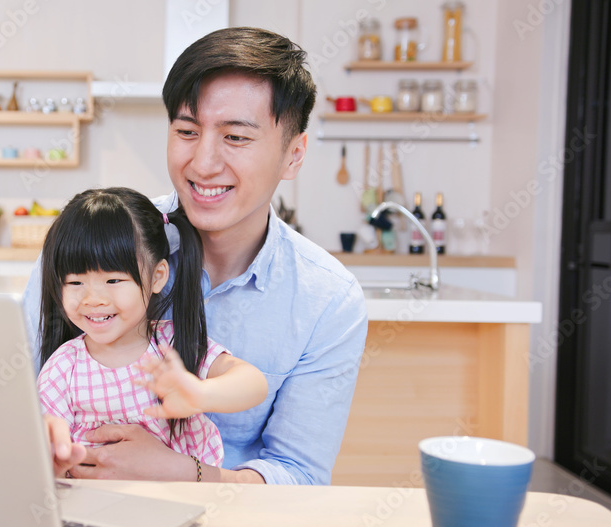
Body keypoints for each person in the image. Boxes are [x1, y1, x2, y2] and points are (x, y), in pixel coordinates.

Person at [25, 27, 368, 485]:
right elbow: (12, 408)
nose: (203, 163)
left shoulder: (328, 299)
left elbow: (299, 475)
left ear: (294, 155)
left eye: (236, 138)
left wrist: (184, 473)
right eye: (186, 131)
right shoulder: (95, 242)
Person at [36, 187, 268, 472]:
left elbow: (254, 383)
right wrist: (54, 451)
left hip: (178, 504)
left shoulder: (171, 346)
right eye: (75, 283)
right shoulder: (63, 366)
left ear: (157, 277)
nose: (92, 299)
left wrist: (201, 394)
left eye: (113, 281)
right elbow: (50, 434)